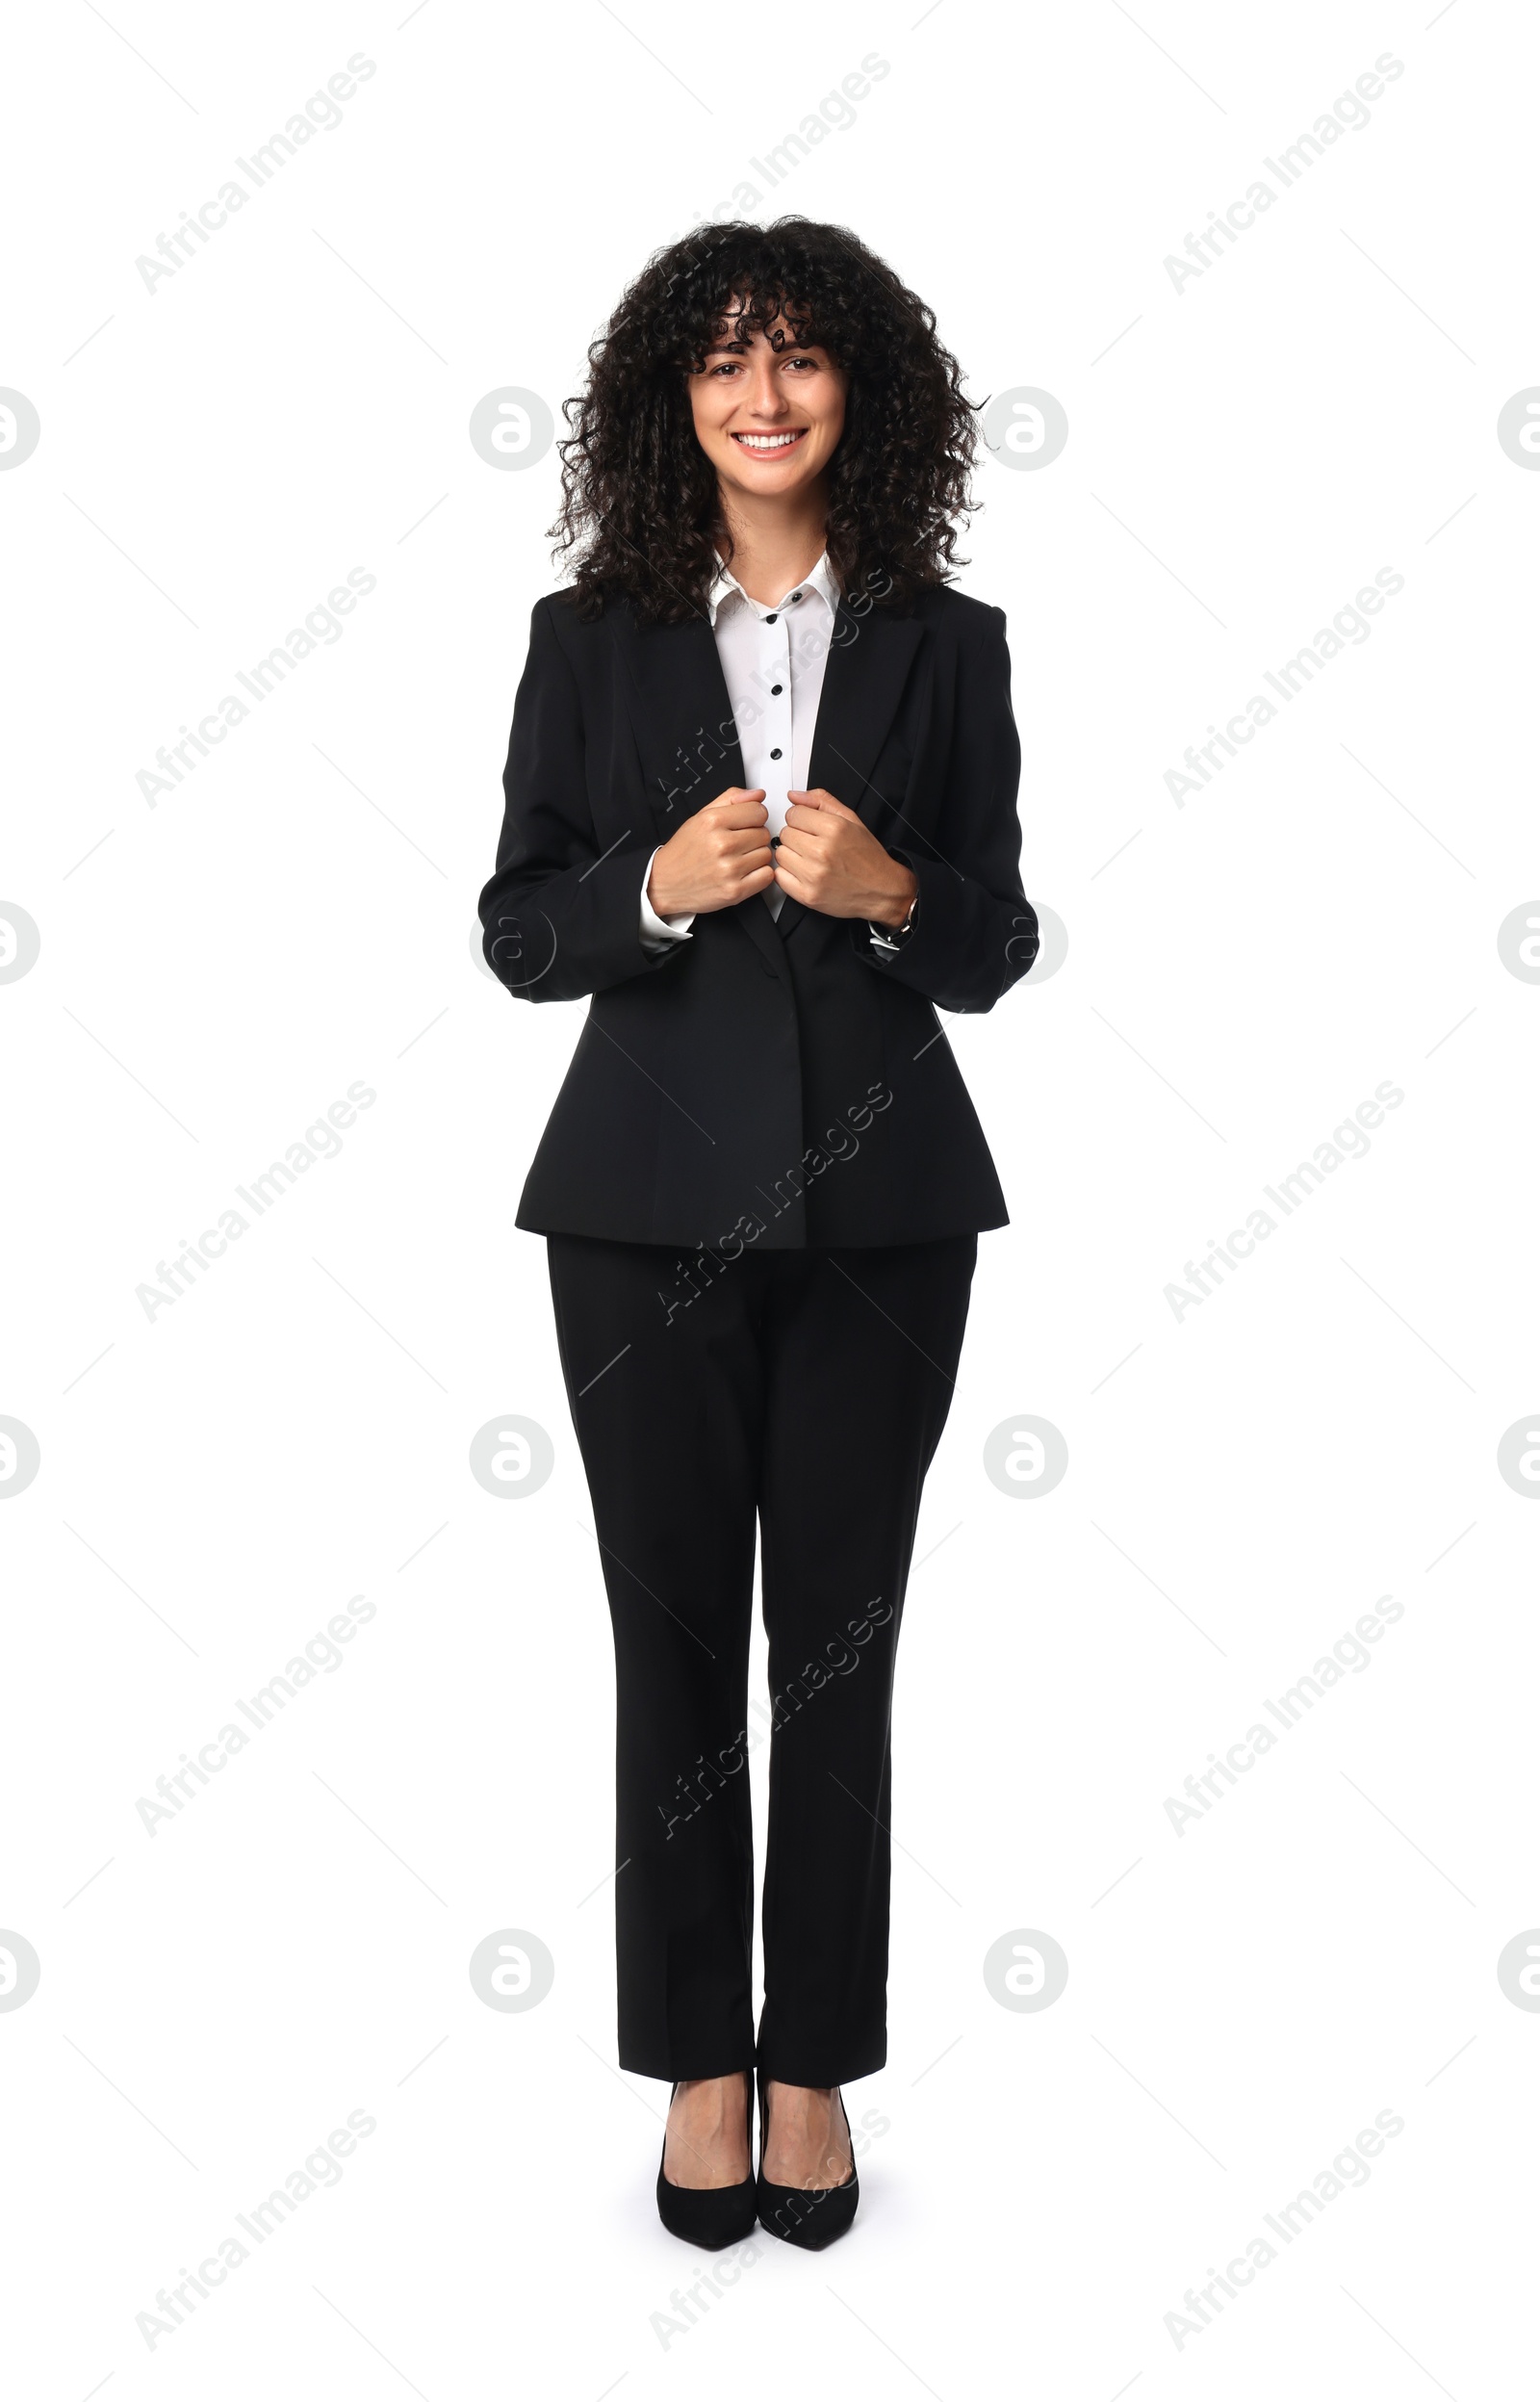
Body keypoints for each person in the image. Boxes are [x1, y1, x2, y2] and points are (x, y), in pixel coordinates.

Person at [478, 217, 1039, 2250]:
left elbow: (995, 941)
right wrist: (648, 884)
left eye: (801, 356)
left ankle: (811, 2075)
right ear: (671, 399)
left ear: (858, 389)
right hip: (634, 1214)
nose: (764, 392)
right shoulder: (587, 636)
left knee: (839, 1655)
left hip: (888, 1216)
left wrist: (893, 885)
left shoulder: (947, 640)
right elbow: (516, 929)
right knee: (669, 1654)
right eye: (723, 359)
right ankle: (692, 2069)